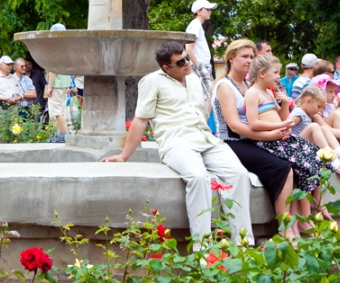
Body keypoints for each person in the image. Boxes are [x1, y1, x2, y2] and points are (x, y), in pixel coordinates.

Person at [102, 41, 252, 247]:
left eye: (186, 57)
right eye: (180, 62)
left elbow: (203, 109)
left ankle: (243, 245)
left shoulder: (193, 78)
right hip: (176, 142)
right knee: (199, 178)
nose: (187, 63)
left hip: (205, 138)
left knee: (240, 175)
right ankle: (203, 250)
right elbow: (141, 119)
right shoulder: (151, 81)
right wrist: (123, 156)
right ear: (166, 68)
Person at [211, 39, 296, 239]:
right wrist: (270, 135)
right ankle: (284, 229)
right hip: (232, 142)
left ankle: (296, 226)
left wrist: (281, 129)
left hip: (253, 138)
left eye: (251, 56)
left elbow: (271, 113)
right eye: (244, 57)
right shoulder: (225, 86)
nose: (249, 60)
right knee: (282, 167)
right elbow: (234, 125)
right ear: (231, 59)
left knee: (296, 161)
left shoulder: (249, 84)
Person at [244, 55, 326, 220]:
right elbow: (253, 123)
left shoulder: (268, 92)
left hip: (280, 137)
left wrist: (282, 105)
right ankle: (304, 213)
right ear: (262, 74)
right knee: (303, 163)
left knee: (316, 156)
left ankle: (310, 207)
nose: (278, 76)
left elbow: (282, 118)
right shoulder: (252, 93)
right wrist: (278, 127)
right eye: (275, 72)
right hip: (269, 141)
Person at [289, 85, 340, 174]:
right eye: (318, 106)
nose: (320, 110)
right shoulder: (299, 113)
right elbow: (287, 123)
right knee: (314, 126)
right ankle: (331, 159)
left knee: (324, 128)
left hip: (304, 145)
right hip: (295, 147)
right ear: (308, 101)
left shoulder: (308, 113)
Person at [43, 23, 71, 143]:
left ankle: (64, 135)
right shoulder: (66, 48)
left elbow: (52, 69)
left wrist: (49, 86)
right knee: (62, 110)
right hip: (65, 82)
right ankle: (60, 134)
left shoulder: (53, 48)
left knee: (56, 111)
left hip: (57, 84)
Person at [186, 0, 216, 95]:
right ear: (199, 11)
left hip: (203, 64)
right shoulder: (195, 25)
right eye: (207, 9)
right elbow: (189, 49)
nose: (210, 11)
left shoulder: (197, 25)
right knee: (210, 96)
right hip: (201, 65)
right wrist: (198, 66)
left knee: (209, 95)